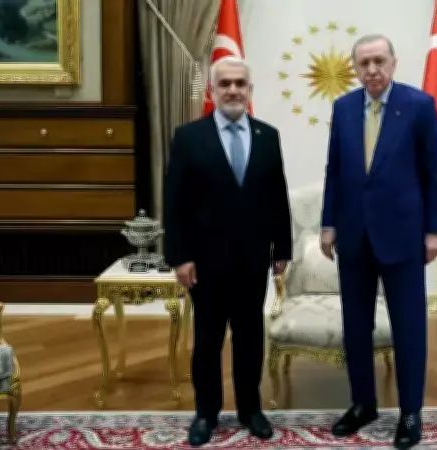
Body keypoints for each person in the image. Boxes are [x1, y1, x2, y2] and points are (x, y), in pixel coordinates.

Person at [320, 34, 437, 449]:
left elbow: (434, 172)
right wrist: (328, 224)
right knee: (356, 327)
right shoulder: (343, 107)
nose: (372, 70)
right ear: (355, 68)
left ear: (393, 62)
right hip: (354, 236)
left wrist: (434, 230)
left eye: (378, 61)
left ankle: (410, 412)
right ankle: (363, 404)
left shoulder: (419, 105)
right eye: (364, 63)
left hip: (404, 237)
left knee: (408, 327)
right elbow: (334, 171)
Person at [163, 56, 292, 446]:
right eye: (225, 84)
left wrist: (282, 248)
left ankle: (251, 409)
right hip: (205, 263)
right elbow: (174, 202)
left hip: (253, 259)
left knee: (250, 337)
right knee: (207, 341)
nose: (233, 90)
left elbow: (277, 195)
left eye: (240, 83)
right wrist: (179, 257)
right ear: (212, 90)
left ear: (250, 89)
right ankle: (206, 413)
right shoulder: (189, 137)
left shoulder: (268, 135)